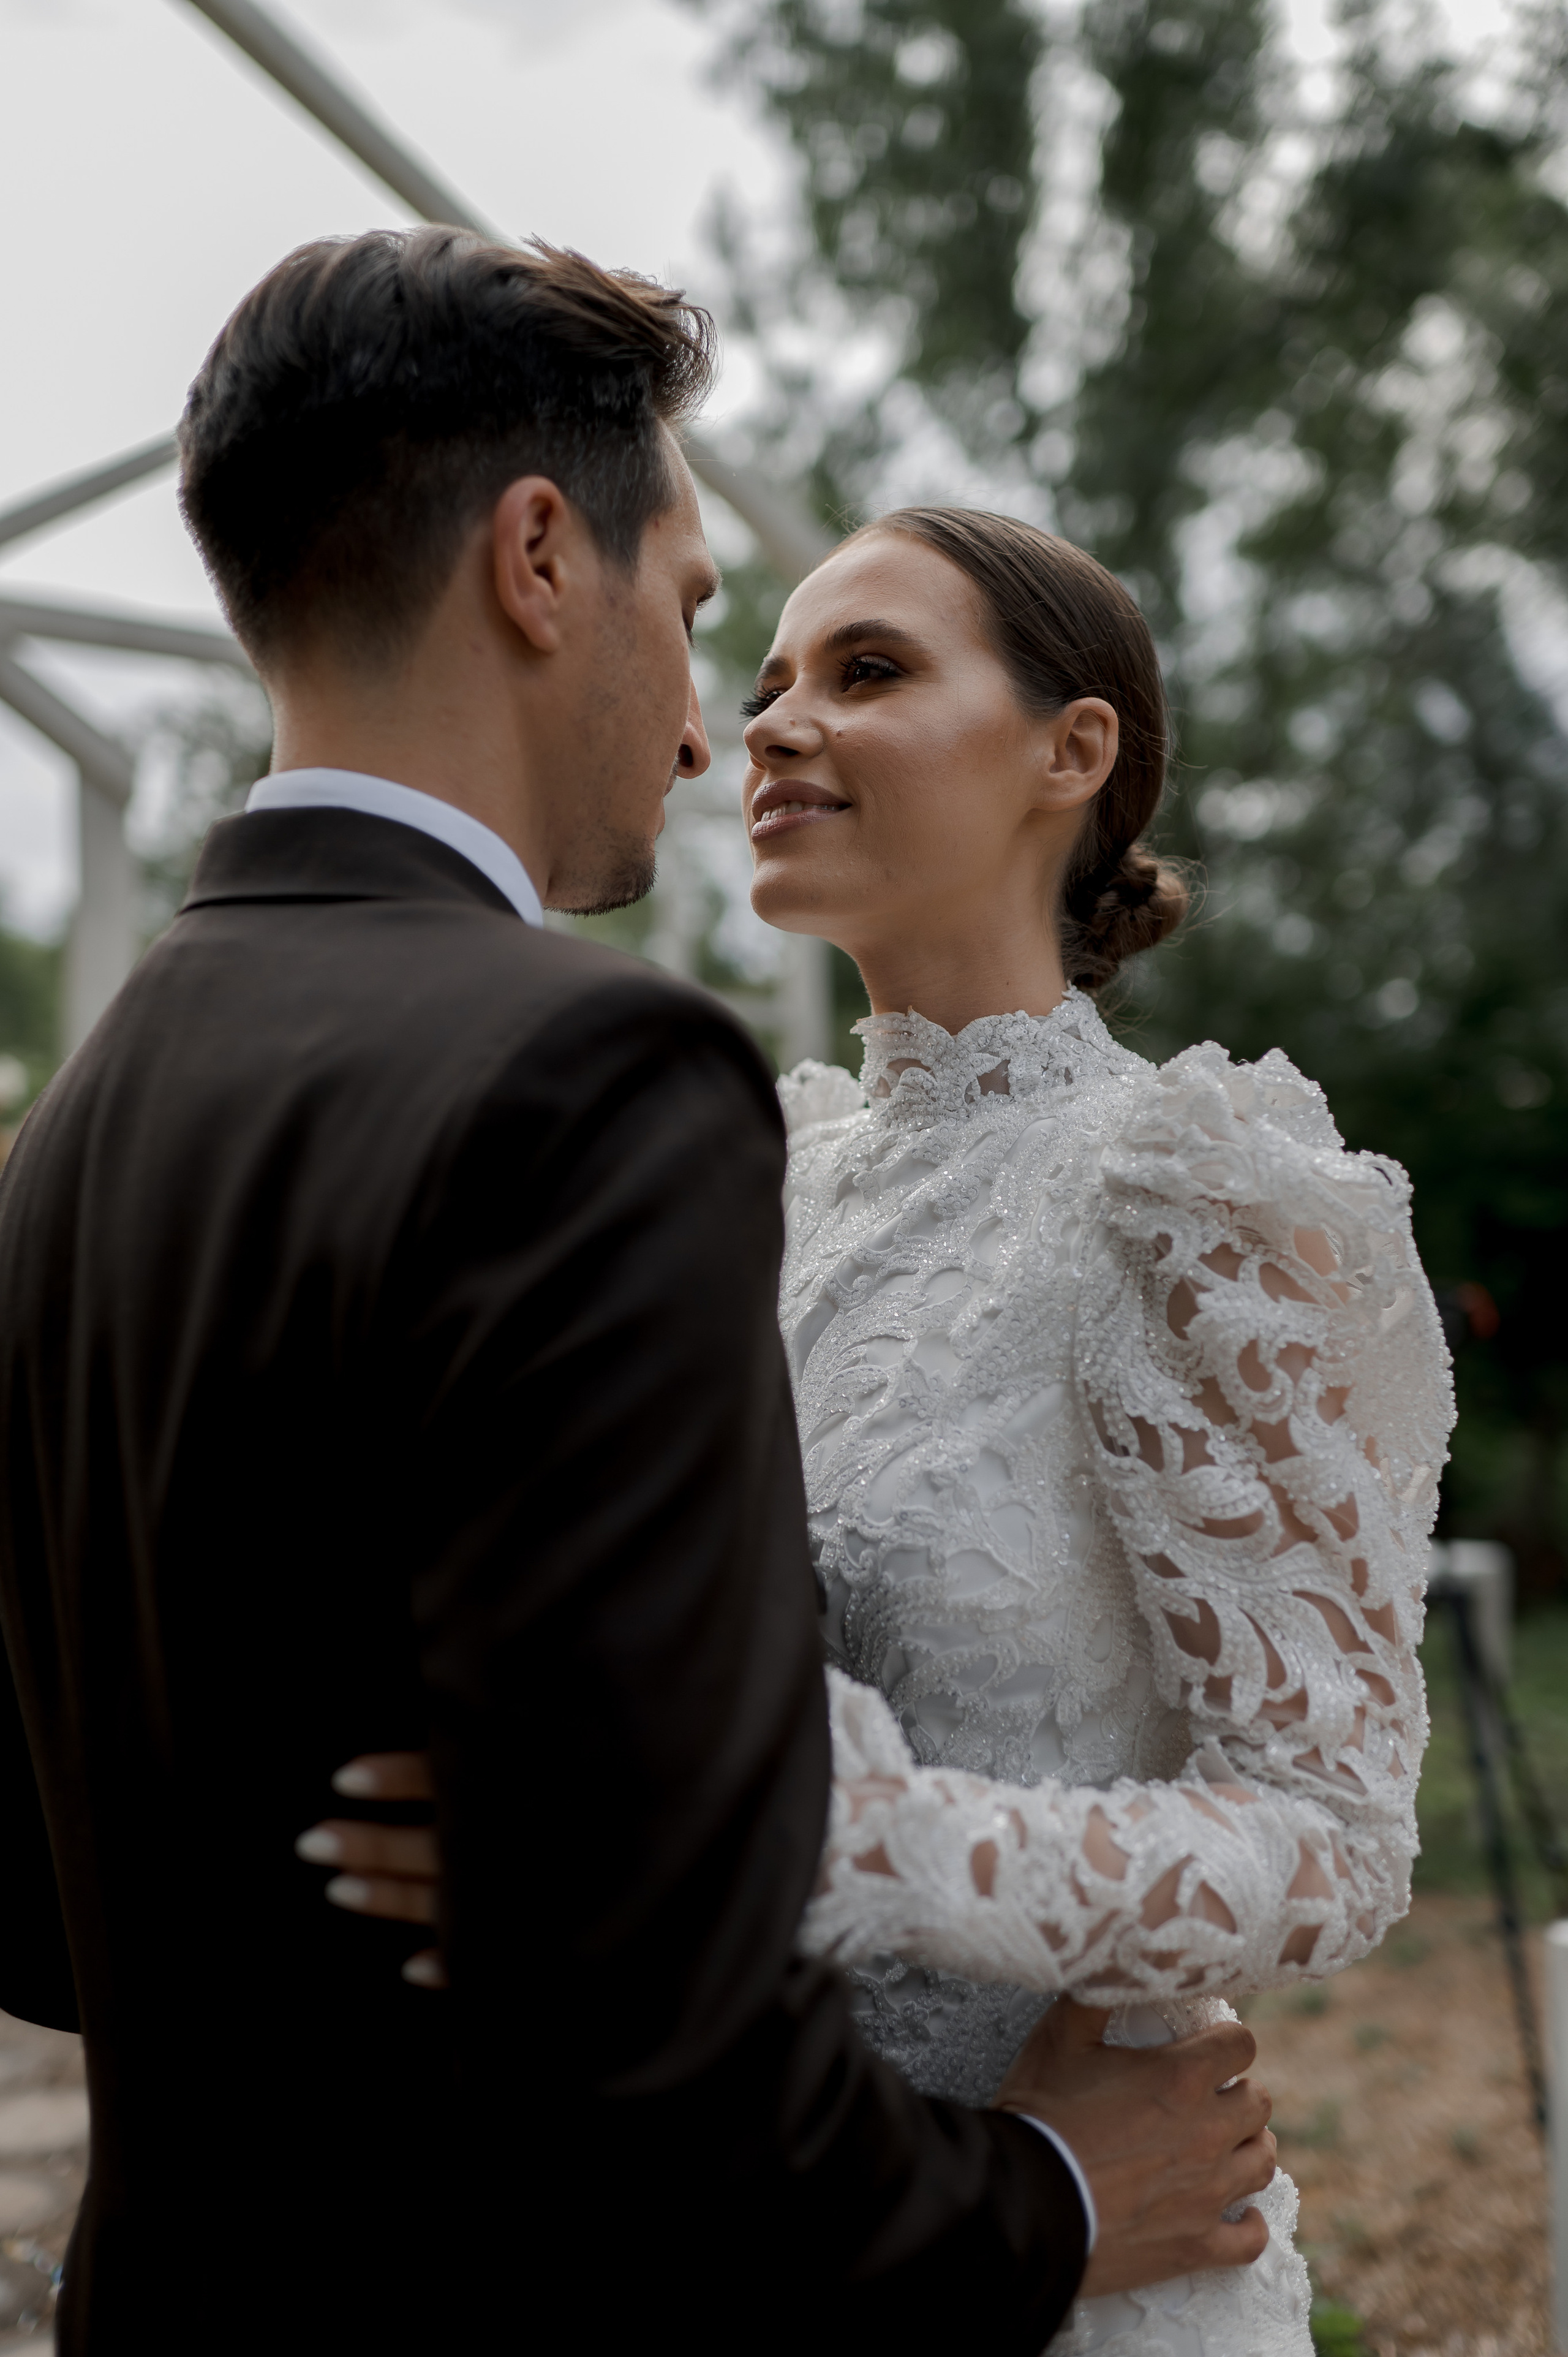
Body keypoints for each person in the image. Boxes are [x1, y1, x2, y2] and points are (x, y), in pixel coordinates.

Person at [0, 231, 1276, 2356]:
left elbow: (39, 1916)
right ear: (535, 559)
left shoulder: (68, 1130)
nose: (708, 736)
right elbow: (663, 2041)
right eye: (695, 619)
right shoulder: (593, 1079)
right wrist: (1050, 2197)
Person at [314, 505, 1454, 2354]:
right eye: (763, 682)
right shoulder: (741, 1180)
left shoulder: (1190, 1196)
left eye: (867, 672)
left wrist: (870, 1846)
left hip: (1091, 2247)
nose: (768, 723)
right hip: (740, 2231)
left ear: (1070, 755)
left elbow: (1337, 1833)